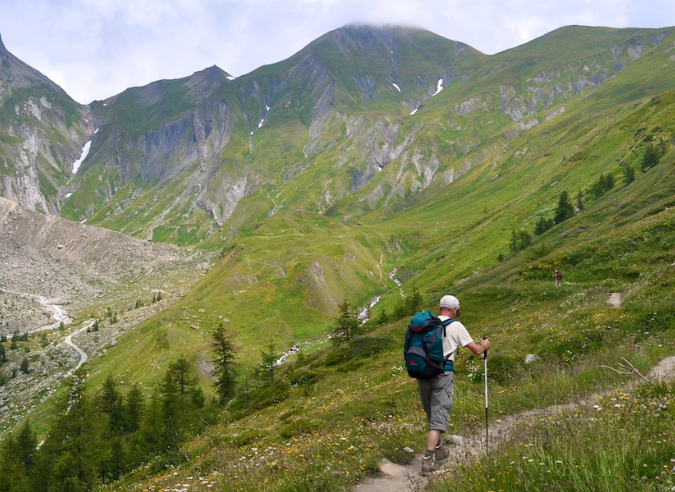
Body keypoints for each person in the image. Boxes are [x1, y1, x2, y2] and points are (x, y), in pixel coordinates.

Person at [418, 295, 489, 475]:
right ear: (455, 310)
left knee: (432, 413)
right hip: (442, 374)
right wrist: (484, 345)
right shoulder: (456, 326)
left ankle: (440, 450)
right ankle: (427, 459)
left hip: (422, 373)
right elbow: (476, 351)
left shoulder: (426, 324)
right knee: (439, 416)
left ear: (440, 308)